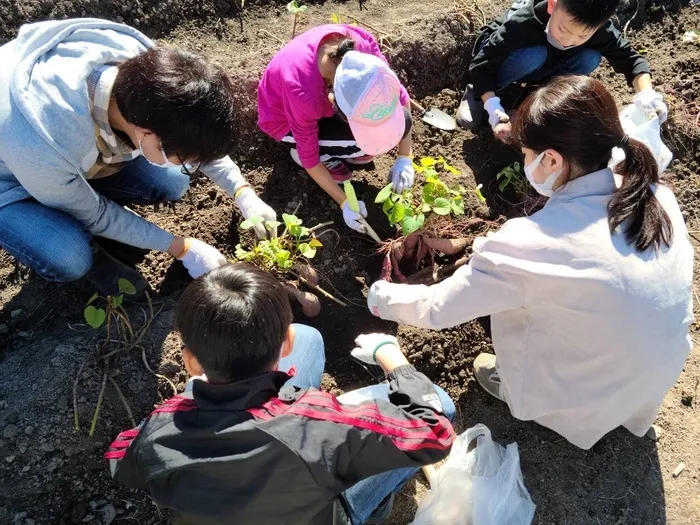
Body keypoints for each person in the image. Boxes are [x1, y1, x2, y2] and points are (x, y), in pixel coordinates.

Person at [368, 75, 693, 450]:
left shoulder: (531, 244)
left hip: (584, 398)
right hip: (653, 375)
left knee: (519, 310)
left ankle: (519, 389)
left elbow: (437, 309)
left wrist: (379, 298)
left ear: (552, 158)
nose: (524, 161)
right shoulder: (655, 193)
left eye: (525, 153)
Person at [106, 263, 455, 525]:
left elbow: (119, 457)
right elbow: (435, 433)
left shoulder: (160, 433)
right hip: (316, 508)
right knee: (442, 401)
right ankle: (369, 512)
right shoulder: (319, 424)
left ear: (191, 361)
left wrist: (181, 407)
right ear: (282, 344)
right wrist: (392, 358)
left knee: (310, 338)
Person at [0, 19, 276, 297]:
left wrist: (243, 192)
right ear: (147, 135)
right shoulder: (43, 138)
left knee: (172, 180)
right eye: (180, 156)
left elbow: (195, 131)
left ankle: (77, 187)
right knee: (68, 255)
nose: (187, 162)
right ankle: (94, 261)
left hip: (61, 163)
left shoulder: (145, 66)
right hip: (13, 179)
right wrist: (181, 247)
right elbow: (96, 214)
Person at [258, 24, 414, 234]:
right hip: (283, 119)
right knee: (361, 148)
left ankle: (342, 149)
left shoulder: (363, 48)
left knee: (366, 151)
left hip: (315, 103)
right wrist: (344, 202)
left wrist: (405, 157)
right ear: (334, 104)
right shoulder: (303, 91)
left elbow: (402, 101)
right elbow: (309, 158)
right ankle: (324, 156)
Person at [457, 0, 668, 143]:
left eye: (582, 36)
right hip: (510, 57)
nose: (568, 41)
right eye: (563, 30)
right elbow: (483, 61)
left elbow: (632, 60)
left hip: (547, 62)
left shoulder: (596, 27)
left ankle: (530, 99)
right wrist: (492, 107)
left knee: (589, 58)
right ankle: (478, 95)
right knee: (532, 56)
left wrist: (647, 95)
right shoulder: (523, 22)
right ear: (552, 5)